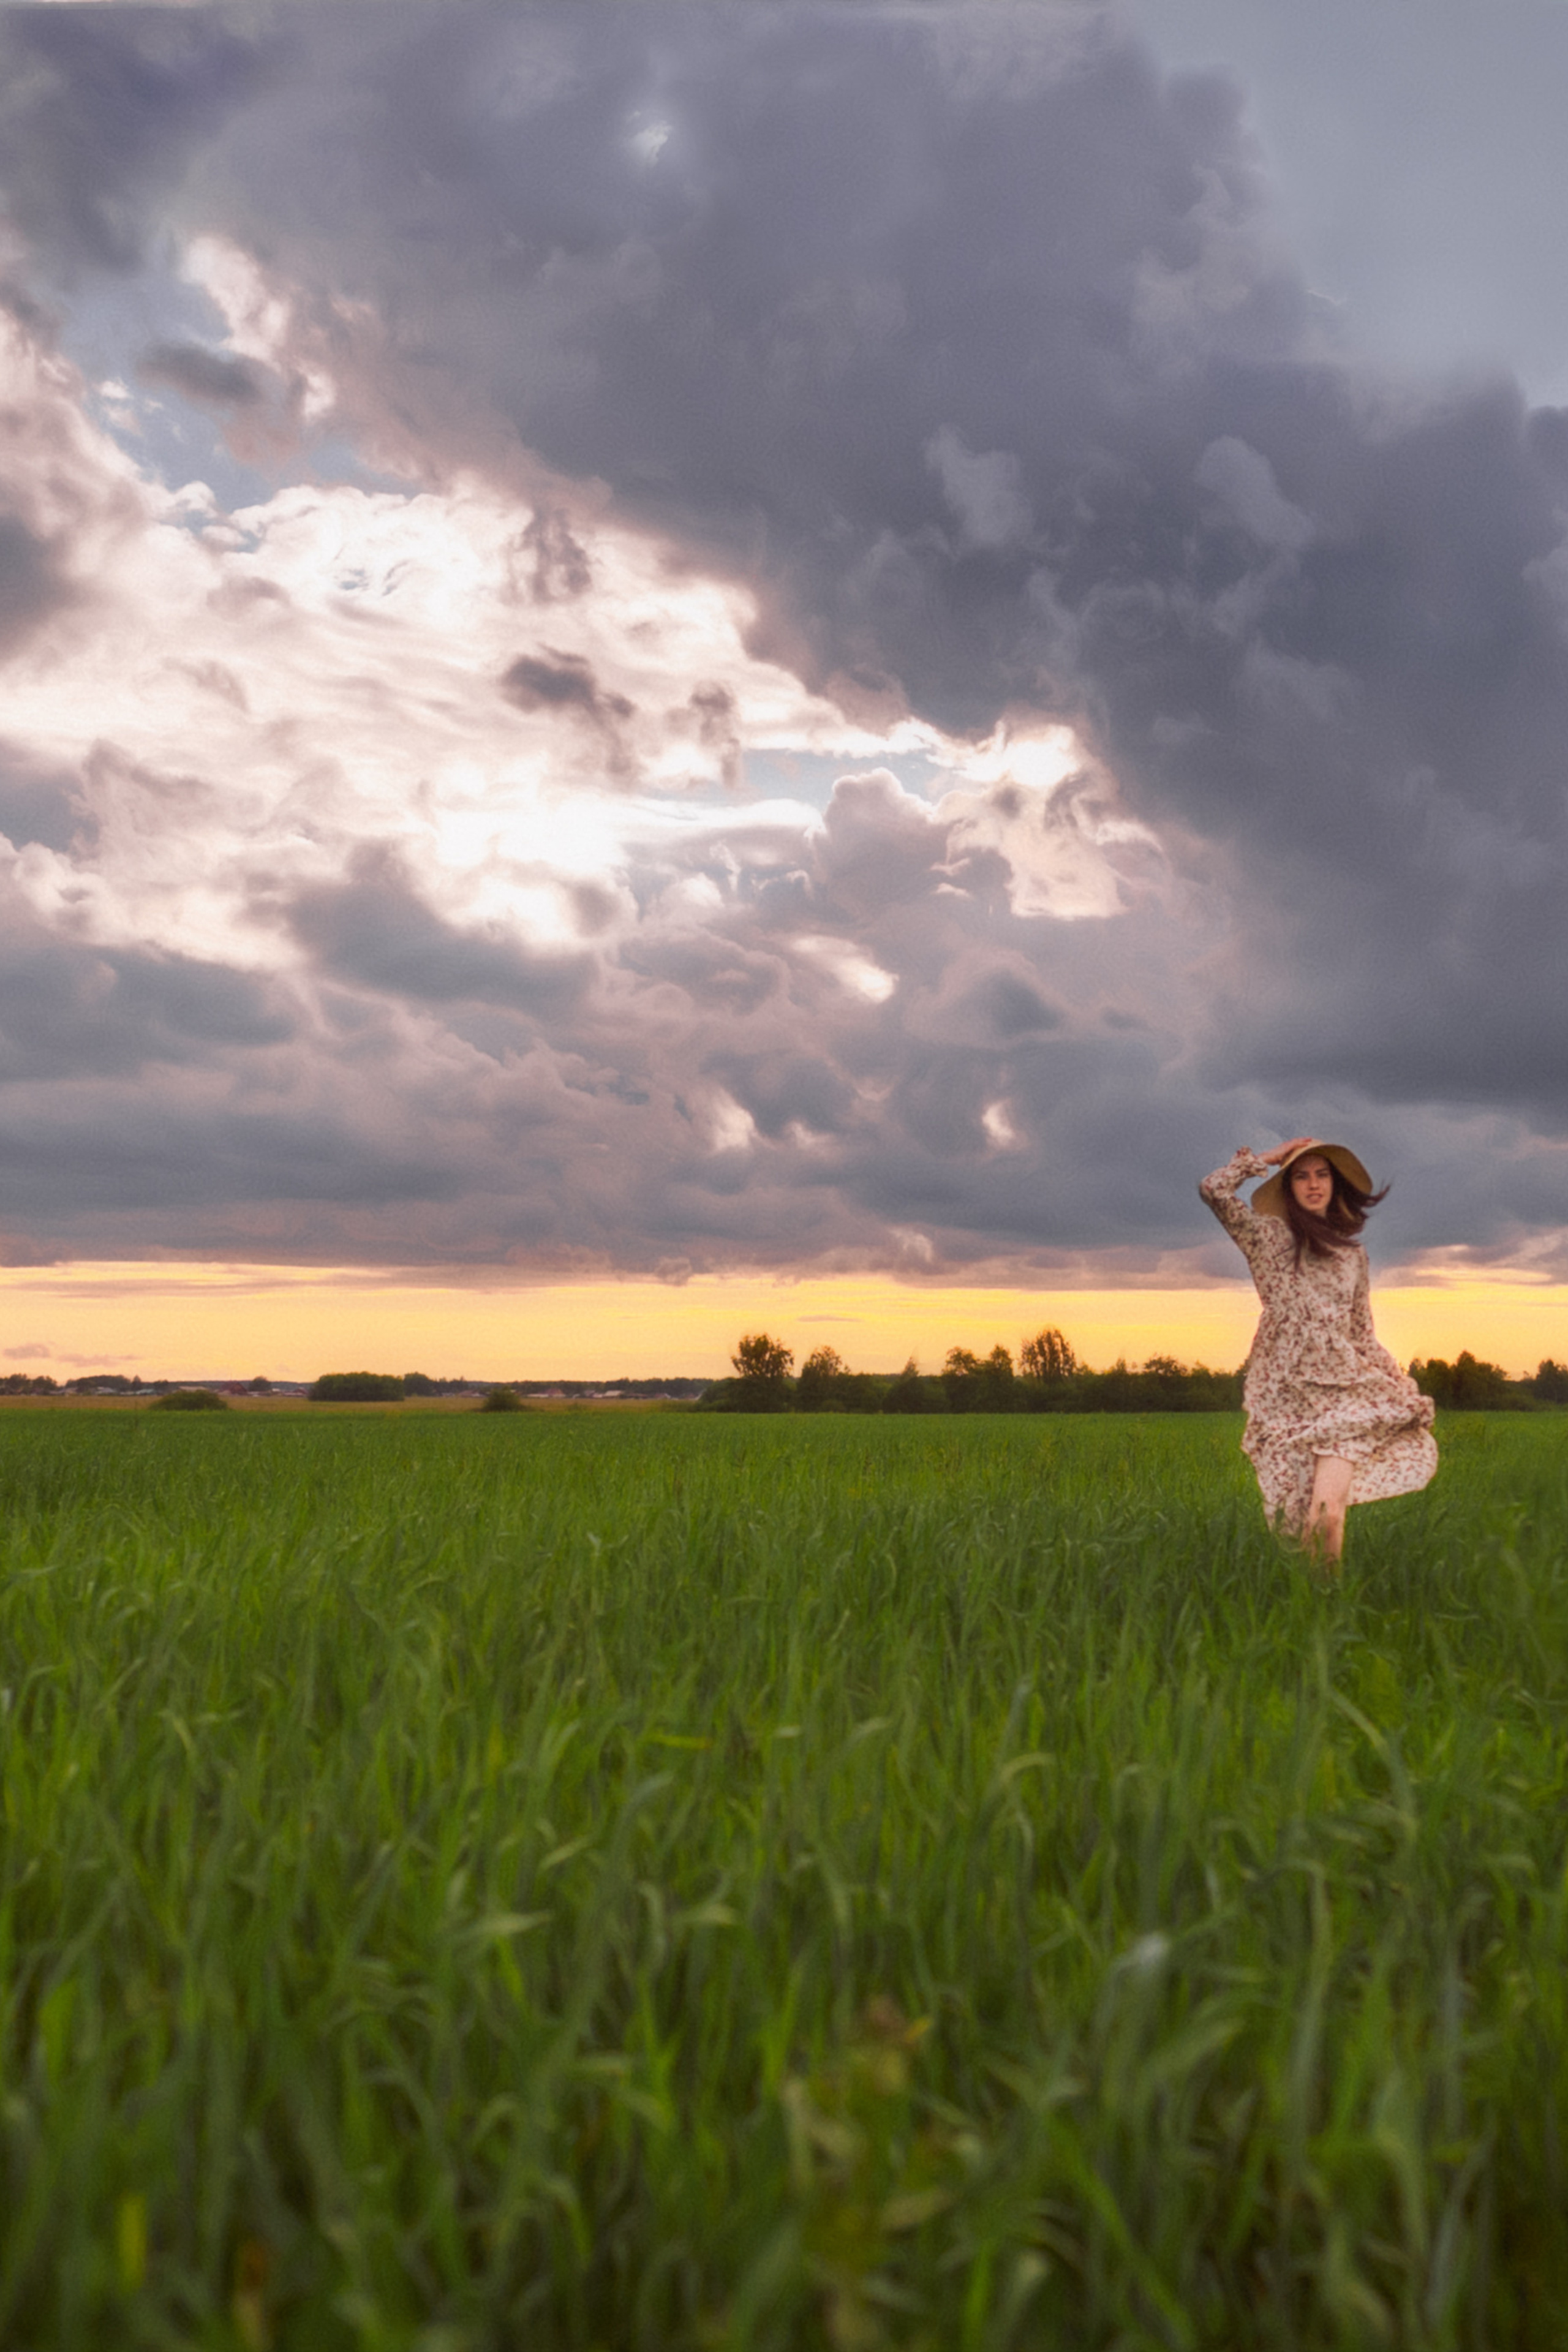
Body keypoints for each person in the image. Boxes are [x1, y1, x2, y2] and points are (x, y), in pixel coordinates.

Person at [1200, 1137, 1437, 1569]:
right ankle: (1309, 1609)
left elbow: (1361, 1334)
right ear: (1288, 1186)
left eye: (1322, 1174)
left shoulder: (1353, 1256)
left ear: (1335, 1183)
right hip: (1288, 1397)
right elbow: (1213, 1190)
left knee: (1328, 1517)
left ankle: (1328, 1617)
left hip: (1346, 1397)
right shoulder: (1266, 1238)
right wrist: (1266, 1161)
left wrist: (1397, 1385)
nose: (1313, 1185)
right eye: (1302, 1176)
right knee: (1298, 1521)